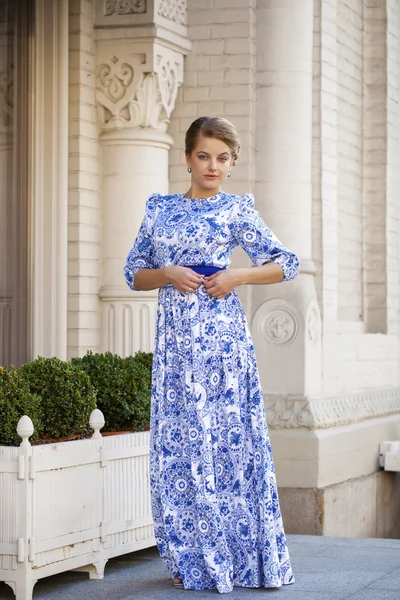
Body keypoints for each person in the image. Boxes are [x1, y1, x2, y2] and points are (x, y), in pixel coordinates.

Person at [124, 116, 300, 593]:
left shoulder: (237, 210)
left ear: (231, 162)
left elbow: (287, 263)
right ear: (187, 158)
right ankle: (192, 557)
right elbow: (132, 272)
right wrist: (168, 274)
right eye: (204, 156)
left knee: (225, 442)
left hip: (222, 344)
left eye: (223, 158)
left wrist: (236, 277)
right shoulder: (159, 210)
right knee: (181, 445)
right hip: (177, 346)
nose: (213, 166)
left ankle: (240, 557)